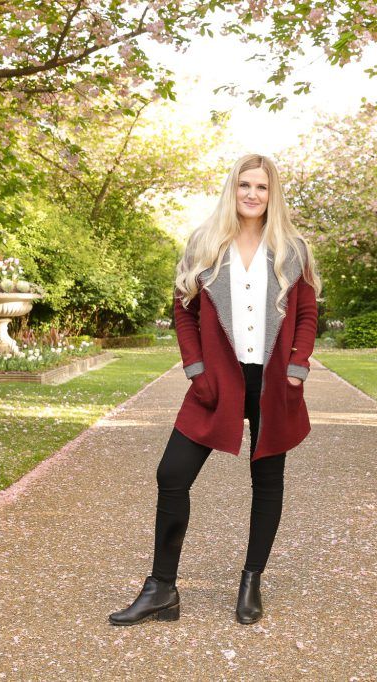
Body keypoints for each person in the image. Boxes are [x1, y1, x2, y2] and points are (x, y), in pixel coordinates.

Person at [108, 153, 322, 626]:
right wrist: (195, 368)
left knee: (266, 482)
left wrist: (296, 369)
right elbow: (183, 310)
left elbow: (307, 313)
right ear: (233, 188)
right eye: (245, 185)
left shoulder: (293, 248)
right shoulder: (205, 243)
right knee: (172, 474)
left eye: (262, 187)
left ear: (273, 193)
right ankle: (161, 588)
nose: (252, 194)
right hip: (217, 381)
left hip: (272, 382)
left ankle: (251, 582)